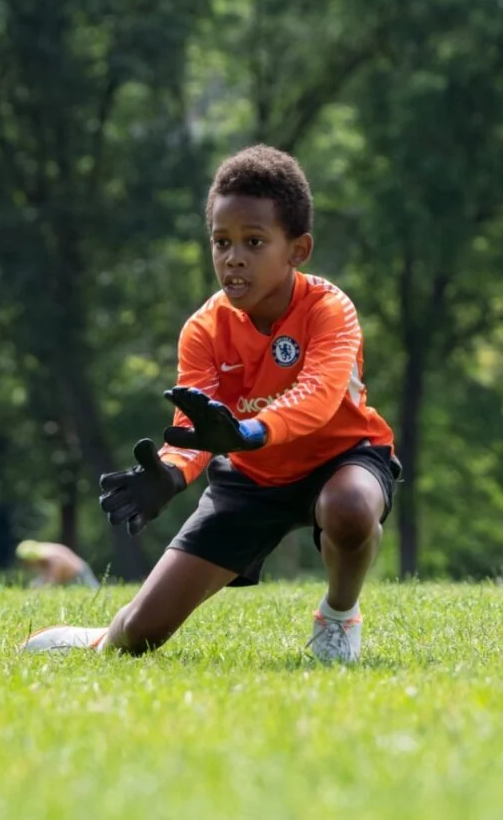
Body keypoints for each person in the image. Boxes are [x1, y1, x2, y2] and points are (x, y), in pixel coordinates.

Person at [20, 145, 399, 663]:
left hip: (342, 459)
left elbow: (317, 395)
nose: (233, 257)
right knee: (140, 636)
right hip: (251, 480)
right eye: (221, 242)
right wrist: (172, 475)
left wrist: (249, 432)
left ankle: (337, 617)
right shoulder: (203, 329)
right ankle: (100, 635)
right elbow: (193, 429)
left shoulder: (329, 309)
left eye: (254, 241)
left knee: (351, 508)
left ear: (298, 249)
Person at [15, 540, 100, 589]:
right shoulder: (42, 556)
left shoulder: (52, 558)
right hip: (69, 579)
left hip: (79, 574)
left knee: (95, 593)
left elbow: (52, 582)